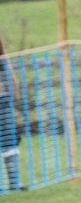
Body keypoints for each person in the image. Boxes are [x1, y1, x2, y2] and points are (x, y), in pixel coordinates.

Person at [0, 37, 23, 192]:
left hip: (3, 96)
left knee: (10, 139)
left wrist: (13, 82)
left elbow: (4, 57)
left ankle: (15, 184)